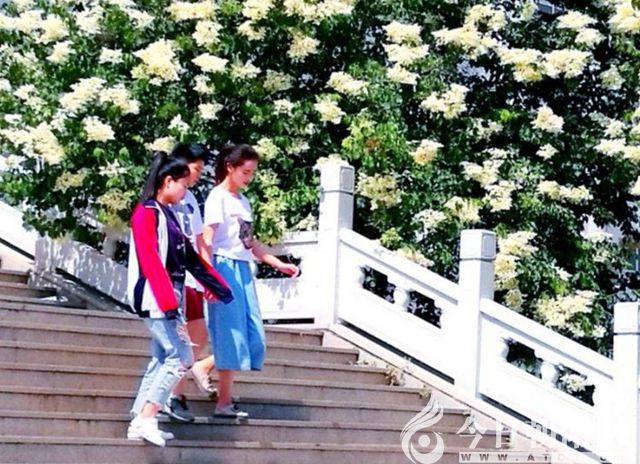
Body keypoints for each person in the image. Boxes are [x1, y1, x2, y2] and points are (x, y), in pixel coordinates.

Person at [126, 151, 233, 446]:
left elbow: (188, 257)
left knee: (163, 358)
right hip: (156, 297)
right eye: (183, 185)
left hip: (167, 296)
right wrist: (169, 305)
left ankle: (139, 418)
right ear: (168, 181)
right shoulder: (147, 213)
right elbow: (150, 262)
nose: (186, 192)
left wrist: (219, 287)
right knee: (181, 356)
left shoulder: (166, 215)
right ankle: (147, 417)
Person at [202, 143, 298, 418]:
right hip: (222, 267)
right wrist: (209, 278)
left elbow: (248, 242)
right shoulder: (217, 198)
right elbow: (206, 241)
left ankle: (204, 367)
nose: (249, 177)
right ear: (230, 168)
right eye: (245, 172)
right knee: (231, 334)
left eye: (252, 172)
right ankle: (223, 402)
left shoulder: (243, 202)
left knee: (253, 335)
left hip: (242, 268)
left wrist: (277, 263)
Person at [163, 142, 217, 423]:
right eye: (196, 168)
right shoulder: (162, 194)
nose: (198, 174)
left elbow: (199, 239)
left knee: (197, 335)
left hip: (191, 277)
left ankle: (175, 390)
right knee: (179, 338)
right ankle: (172, 395)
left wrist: (207, 275)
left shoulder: (191, 199)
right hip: (171, 275)